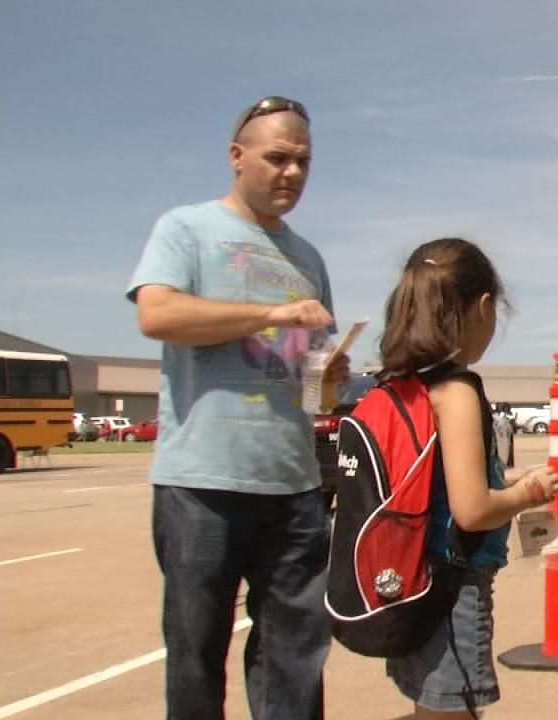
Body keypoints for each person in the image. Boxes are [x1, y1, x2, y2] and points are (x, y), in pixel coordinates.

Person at [128, 96, 349, 719]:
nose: (292, 173)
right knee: (196, 652)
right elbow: (158, 314)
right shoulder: (186, 229)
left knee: (295, 655)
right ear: (236, 156)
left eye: (303, 161)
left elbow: (314, 388)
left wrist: (329, 376)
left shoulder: (308, 258)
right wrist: (273, 313)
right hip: (202, 481)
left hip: (295, 484)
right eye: (277, 158)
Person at [378, 237, 558, 719]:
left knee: (431, 705)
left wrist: (506, 476)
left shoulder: (402, 380)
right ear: (482, 306)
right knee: (453, 709)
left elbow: (435, 476)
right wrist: (529, 492)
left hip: (408, 578)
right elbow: (473, 510)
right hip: (452, 586)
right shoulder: (456, 390)